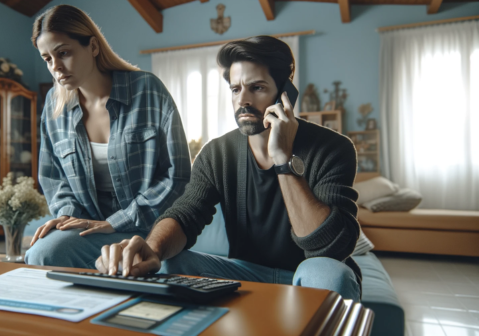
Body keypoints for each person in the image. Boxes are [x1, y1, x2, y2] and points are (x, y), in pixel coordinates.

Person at [95, 36, 362, 301]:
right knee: (169, 263)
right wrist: (152, 249)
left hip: (310, 272)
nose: (242, 100)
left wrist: (283, 159)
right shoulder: (217, 153)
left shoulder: (333, 148)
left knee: (330, 273)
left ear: (284, 94)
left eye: (256, 87)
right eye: (236, 89)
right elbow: (187, 213)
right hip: (246, 272)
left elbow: (330, 247)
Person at [25, 5, 191, 269]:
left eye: (64, 53)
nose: (56, 67)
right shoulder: (53, 106)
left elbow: (177, 176)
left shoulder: (147, 89)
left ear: (92, 46)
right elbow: (54, 178)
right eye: (47, 59)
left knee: (138, 265)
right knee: (41, 253)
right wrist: (66, 216)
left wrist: (116, 222)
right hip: (89, 232)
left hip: (149, 230)